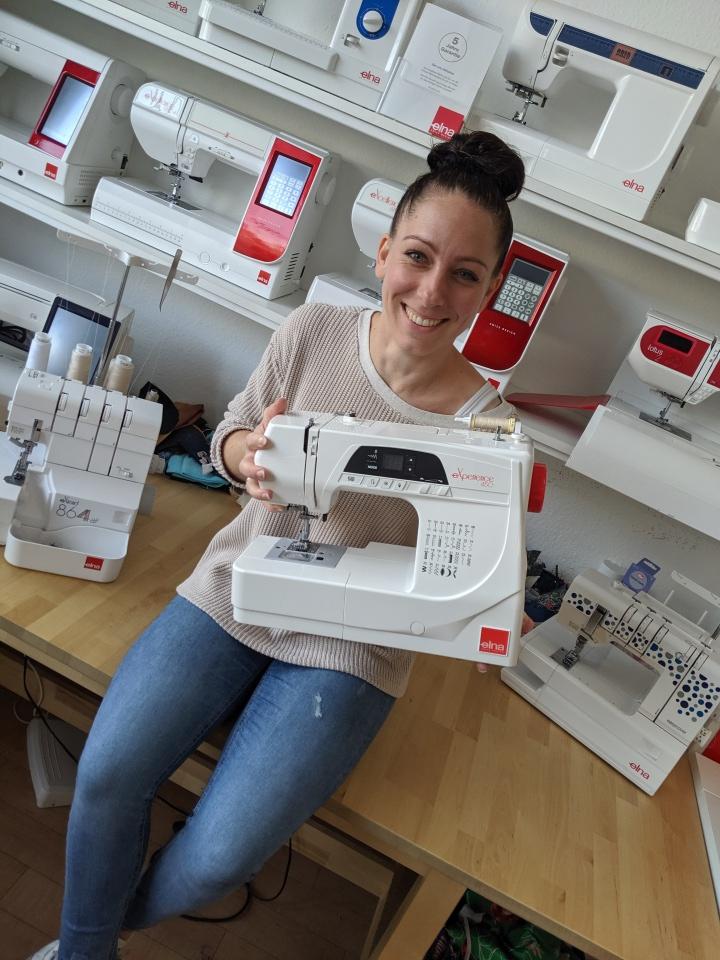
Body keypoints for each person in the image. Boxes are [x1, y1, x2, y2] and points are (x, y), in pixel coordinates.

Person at [30, 129, 527, 960]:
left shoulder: (490, 431)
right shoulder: (313, 331)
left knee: (220, 858)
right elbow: (229, 434)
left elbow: (486, 572)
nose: (432, 290)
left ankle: (92, 934)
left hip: (353, 645)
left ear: (491, 289)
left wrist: (491, 599)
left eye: (465, 274)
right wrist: (243, 457)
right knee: (107, 772)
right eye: (417, 256)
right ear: (384, 251)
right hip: (240, 584)